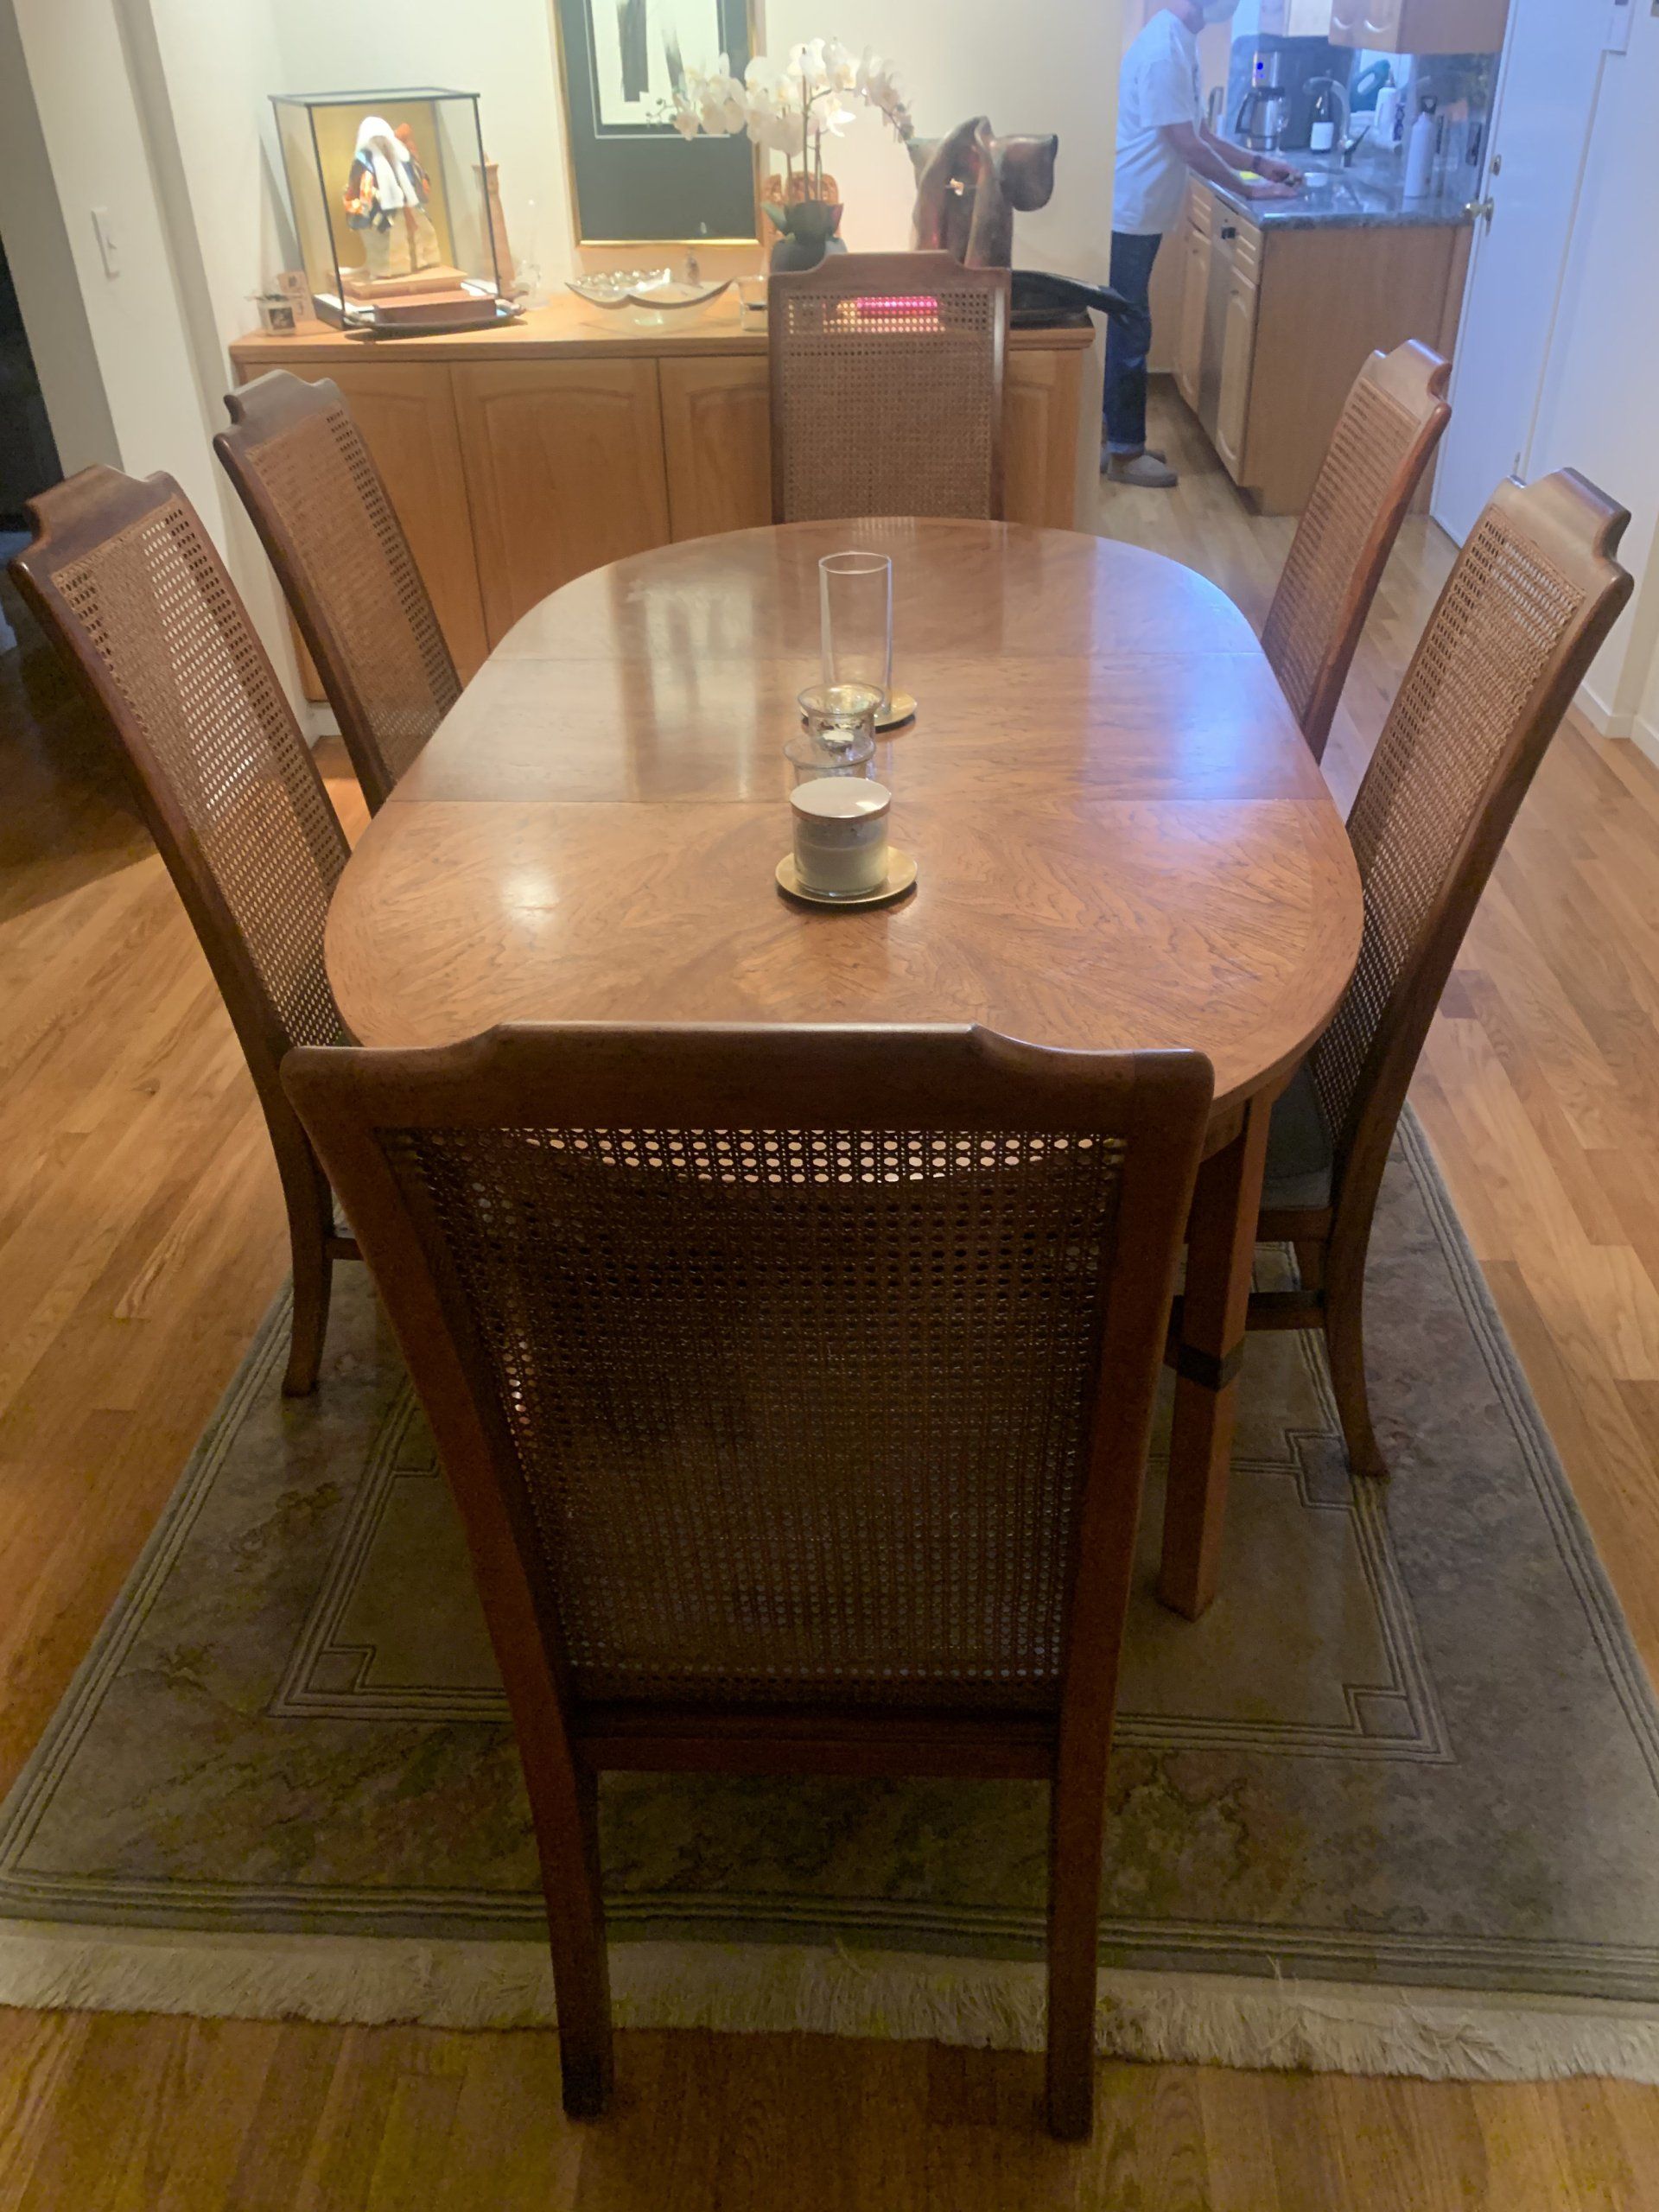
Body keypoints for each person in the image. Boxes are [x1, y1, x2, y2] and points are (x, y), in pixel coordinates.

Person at [1106, 0, 1300, 488]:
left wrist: (1257, 161)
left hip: (1142, 210)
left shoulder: (1177, 41)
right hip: (1131, 212)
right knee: (1131, 329)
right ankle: (1124, 454)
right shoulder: (1163, 50)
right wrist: (1250, 188)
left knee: (1127, 326)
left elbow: (1200, 132)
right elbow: (1186, 144)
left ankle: (1118, 442)